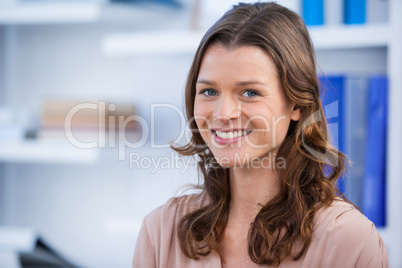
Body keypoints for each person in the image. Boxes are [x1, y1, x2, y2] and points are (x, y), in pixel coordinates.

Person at [133, 2, 388, 267]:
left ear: (296, 104)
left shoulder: (350, 241)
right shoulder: (161, 232)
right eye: (209, 91)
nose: (223, 113)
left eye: (250, 92)